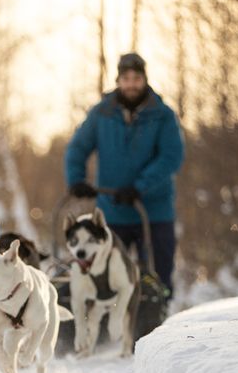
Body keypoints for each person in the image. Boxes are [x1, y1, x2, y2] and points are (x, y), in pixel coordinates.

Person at [64, 53, 184, 299]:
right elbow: (78, 147)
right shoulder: (102, 114)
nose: (131, 84)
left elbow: (171, 157)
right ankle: (105, 329)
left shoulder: (163, 115)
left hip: (153, 212)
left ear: (144, 79)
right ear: (118, 80)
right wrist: (77, 179)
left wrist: (140, 187)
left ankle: (157, 321)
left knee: (156, 278)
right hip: (112, 211)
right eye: (126, 78)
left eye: (136, 78)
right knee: (105, 276)